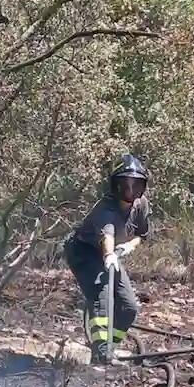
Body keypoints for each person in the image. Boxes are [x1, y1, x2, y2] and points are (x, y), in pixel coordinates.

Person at [65, 154, 151, 364]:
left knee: (129, 307)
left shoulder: (141, 205)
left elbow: (142, 234)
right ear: (115, 186)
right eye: (125, 186)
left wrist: (130, 245)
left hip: (111, 254)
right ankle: (101, 356)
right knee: (102, 297)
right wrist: (109, 254)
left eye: (135, 186)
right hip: (84, 252)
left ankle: (109, 346)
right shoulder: (105, 208)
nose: (130, 192)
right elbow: (107, 235)